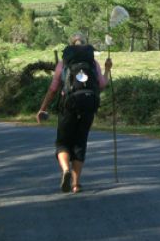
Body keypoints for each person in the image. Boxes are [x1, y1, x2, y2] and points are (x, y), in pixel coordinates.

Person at [37, 33, 112, 194]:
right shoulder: (93, 64)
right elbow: (102, 84)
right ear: (86, 46)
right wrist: (107, 70)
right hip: (88, 106)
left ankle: (65, 170)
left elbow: (52, 90)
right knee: (80, 143)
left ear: (71, 46)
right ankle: (76, 184)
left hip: (68, 106)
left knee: (63, 142)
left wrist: (42, 108)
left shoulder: (63, 64)